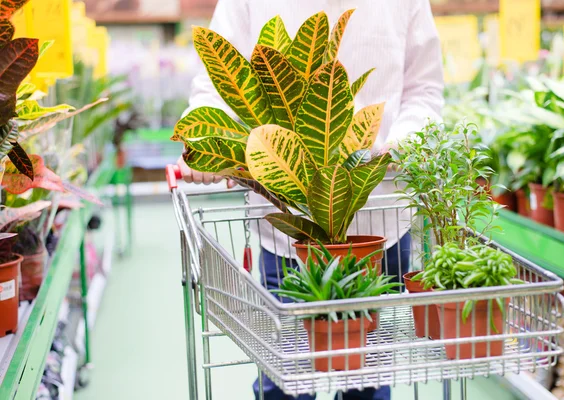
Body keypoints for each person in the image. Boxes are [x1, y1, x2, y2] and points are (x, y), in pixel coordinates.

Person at [178, 1, 444, 399]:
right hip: (286, 230)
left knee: (367, 382)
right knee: (284, 381)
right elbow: (217, 84)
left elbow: (424, 87)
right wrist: (205, 143)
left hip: (378, 223)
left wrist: (400, 144)